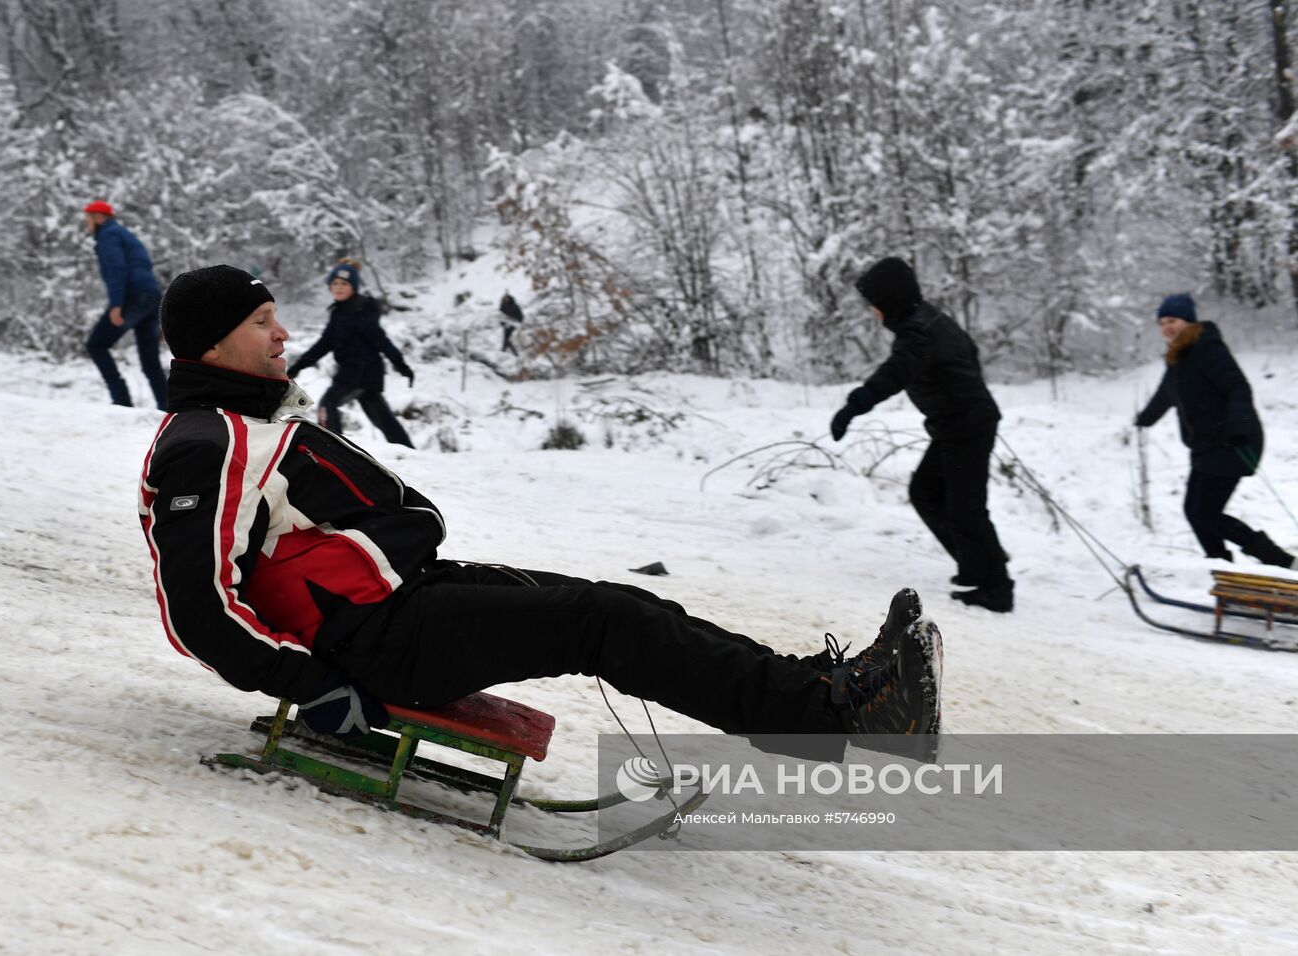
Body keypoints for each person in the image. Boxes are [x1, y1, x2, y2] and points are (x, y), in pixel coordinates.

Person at [138, 264, 941, 760]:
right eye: (260, 322)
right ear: (211, 346)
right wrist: (312, 686)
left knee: (625, 608)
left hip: (403, 603)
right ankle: (838, 714)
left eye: (276, 315)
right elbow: (197, 607)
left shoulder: (250, 424)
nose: (283, 332)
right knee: (604, 623)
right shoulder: (206, 446)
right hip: (371, 644)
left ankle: (824, 690)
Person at [830, 256, 1014, 613]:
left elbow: (896, 372)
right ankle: (978, 566)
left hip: (965, 426)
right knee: (926, 493)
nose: (874, 313)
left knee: (966, 510)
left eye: (875, 305)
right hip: (958, 424)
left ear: (890, 301)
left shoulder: (918, 332)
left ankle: (996, 587)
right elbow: (968, 355)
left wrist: (856, 404)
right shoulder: (929, 321)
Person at [1134, 293, 1293, 568]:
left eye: (1172, 320)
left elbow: (1238, 387)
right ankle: (1220, 567)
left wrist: (1238, 426)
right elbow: (1165, 395)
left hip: (1233, 441)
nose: (1166, 328)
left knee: (1206, 513)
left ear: (1188, 322)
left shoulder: (1207, 348)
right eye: (1162, 323)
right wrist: (1144, 419)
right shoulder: (1178, 359)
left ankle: (1281, 561)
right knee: (1194, 511)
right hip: (1207, 445)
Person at [287, 261, 415, 448]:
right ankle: (407, 450)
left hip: (358, 372)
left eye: (344, 284)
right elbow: (324, 344)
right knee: (382, 418)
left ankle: (335, 452)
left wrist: (400, 363)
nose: (339, 288)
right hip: (361, 373)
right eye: (335, 284)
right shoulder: (339, 312)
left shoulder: (360, 310)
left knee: (327, 405)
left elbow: (381, 340)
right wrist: (299, 365)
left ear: (353, 286)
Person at [83, 200, 167, 410]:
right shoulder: (124, 234)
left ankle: (121, 401)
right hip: (151, 296)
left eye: (89, 219)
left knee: (96, 345)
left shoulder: (108, 235)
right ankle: (170, 407)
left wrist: (116, 304)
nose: (87, 224)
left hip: (133, 296)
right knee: (150, 360)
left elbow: (117, 269)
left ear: (100, 218)